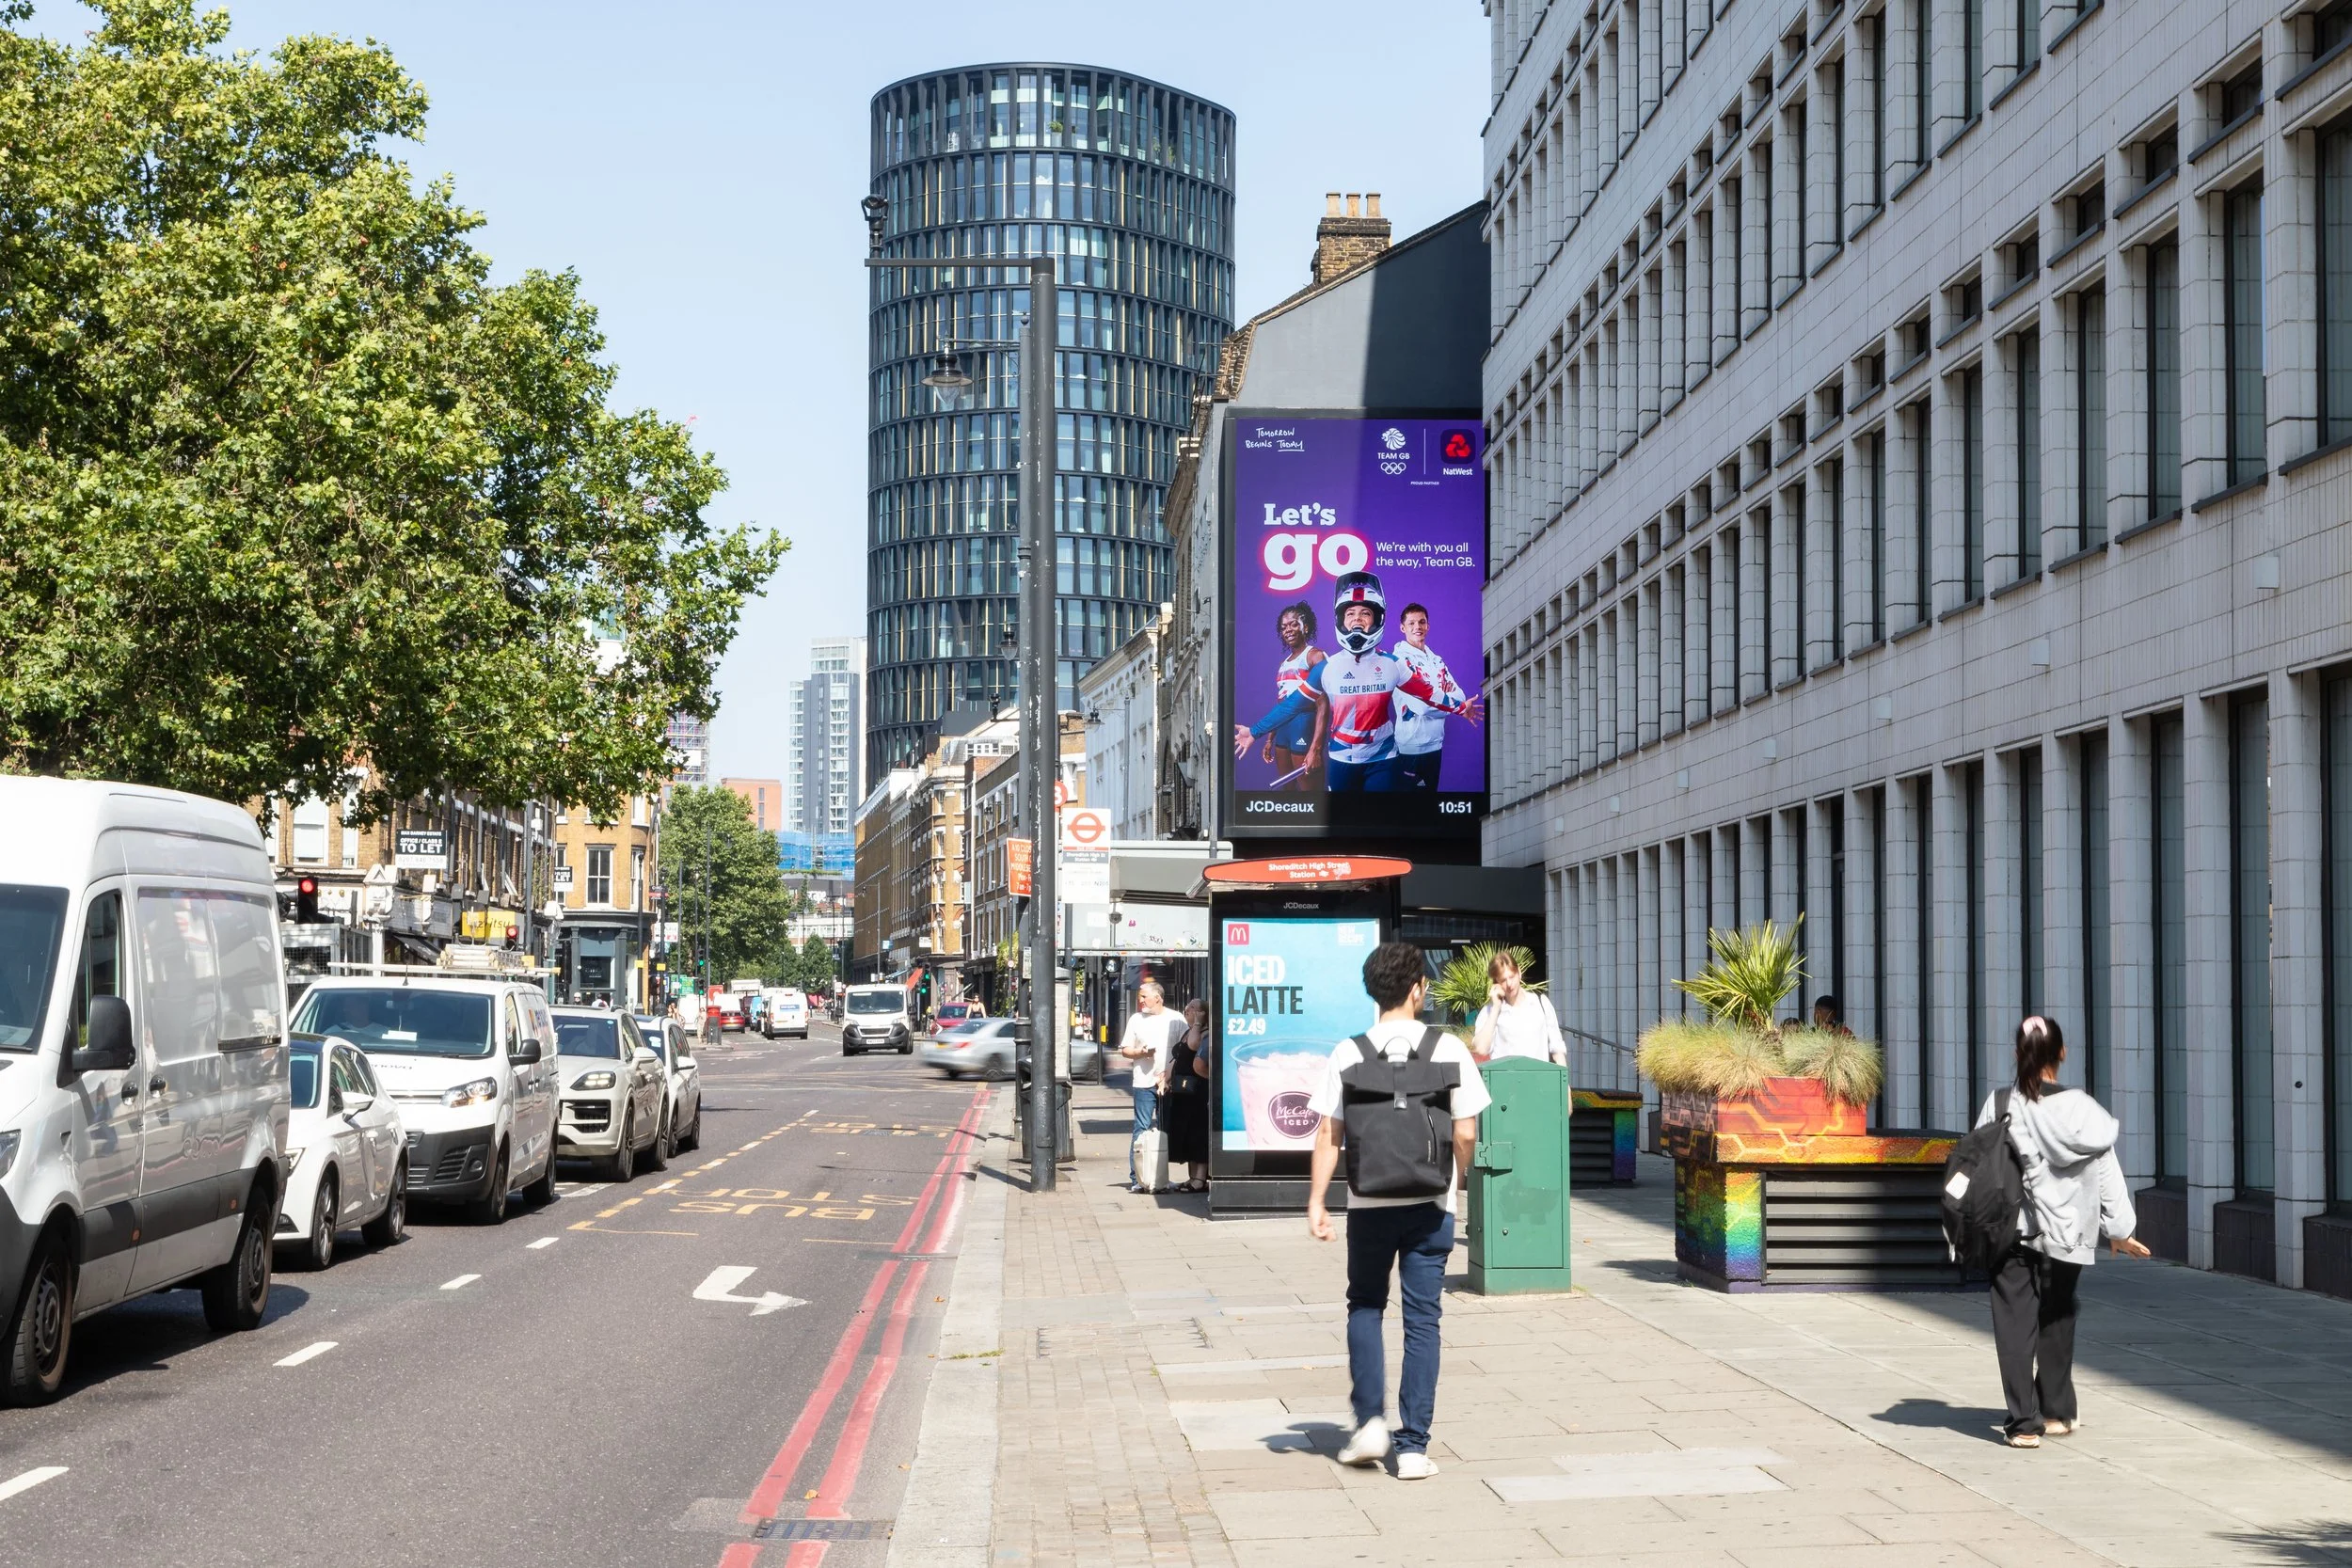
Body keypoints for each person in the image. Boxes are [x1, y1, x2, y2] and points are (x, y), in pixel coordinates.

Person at [1306, 941, 1491, 1481]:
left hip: (1368, 1202)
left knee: (1365, 1304)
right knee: (1423, 1319)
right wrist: (1458, 1178)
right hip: (1431, 1204)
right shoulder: (1448, 1049)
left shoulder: (1350, 1051)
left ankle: (1369, 1422)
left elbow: (1328, 1133)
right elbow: (1465, 1131)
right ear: (1418, 989)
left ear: (1373, 990)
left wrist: (1318, 1200)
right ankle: (1412, 1448)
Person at [1976, 1016, 2151, 1449]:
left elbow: (1978, 1165)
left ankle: (2022, 1423)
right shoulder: (2083, 1109)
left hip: (2012, 1233)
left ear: (2018, 1054)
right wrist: (2121, 1229)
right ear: (2062, 1053)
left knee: (2015, 1325)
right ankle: (2054, 1411)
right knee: (2057, 1317)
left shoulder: (2000, 1105)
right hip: (2070, 1236)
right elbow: (2107, 1171)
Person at [1236, 573, 1483, 792]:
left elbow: (1426, 692)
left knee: (1378, 824)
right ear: (1340, 620)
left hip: (1383, 759)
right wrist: (1255, 732)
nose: (1357, 619)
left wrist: (1462, 708)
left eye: (1365, 613)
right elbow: (1291, 706)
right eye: (1350, 613)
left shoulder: (1392, 663)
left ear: (1376, 619)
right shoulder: (1327, 668)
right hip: (1342, 760)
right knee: (1345, 830)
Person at [1389, 603, 1471, 792]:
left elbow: (1459, 694)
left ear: (1428, 626)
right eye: (1411, 623)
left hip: (1435, 745)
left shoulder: (1436, 660)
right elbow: (1421, 707)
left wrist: (1441, 700)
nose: (1417, 627)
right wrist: (1453, 705)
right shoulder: (1399, 661)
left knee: (1429, 809)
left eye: (1422, 622)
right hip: (1410, 747)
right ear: (1403, 628)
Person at [1117, 982, 1185, 1192]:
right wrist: (1140, 1053)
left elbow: (1183, 1050)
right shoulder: (1136, 1019)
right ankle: (1137, 1178)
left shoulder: (1176, 1019)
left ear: (1158, 997)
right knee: (1141, 1128)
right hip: (1143, 1082)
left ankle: (1160, 1178)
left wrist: (1169, 1074)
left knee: (1165, 1131)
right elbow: (1125, 1049)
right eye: (1140, 996)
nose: (1140, 1000)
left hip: (1168, 1083)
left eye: (1144, 996)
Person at [1470, 951, 1565, 1065]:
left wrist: (1564, 1081)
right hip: (1505, 1079)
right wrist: (1496, 1008)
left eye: (1511, 976)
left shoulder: (1541, 1003)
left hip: (1538, 1078)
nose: (1509, 984)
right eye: (1503, 980)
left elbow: (1557, 1047)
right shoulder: (1489, 1011)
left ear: (1519, 972)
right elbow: (1481, 1049)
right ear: (1496, 983)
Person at [1159, 998, 1212, 1192]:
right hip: (1183, 1093)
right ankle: (1192, 1177)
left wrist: (1198, 1023)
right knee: (1187, 1134)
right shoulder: (1187, 1031)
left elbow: (1192, 1046)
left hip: (1197, 1092)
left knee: (1198, 1134)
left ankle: (1200, 1179)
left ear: (1203, 1013)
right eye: (1188, 1006)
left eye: (1193, 1008)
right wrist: (1166, 1077)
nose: (1187, 1009)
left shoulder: (1203, 1033)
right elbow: (1179, 1055)